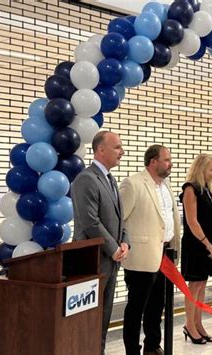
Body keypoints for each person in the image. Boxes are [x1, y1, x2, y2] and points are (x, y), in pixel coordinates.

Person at [71, 131, 130, 354]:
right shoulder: (86, 178)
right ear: (100, 150)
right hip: (92, 260)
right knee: (89, 316)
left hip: (111, 260)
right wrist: (113, 248)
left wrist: (125, 242)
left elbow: (120, 218)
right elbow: (90, 222)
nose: (121, 152)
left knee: (103, 315)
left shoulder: (111, 179)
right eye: (117, 147)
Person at [120, 144, 181, 355]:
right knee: (137, 307)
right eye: (166, 160)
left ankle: (152, 345)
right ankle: (132, 350)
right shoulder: (133, 183)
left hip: (164, 254)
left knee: (157, 305)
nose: (170, 163)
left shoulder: (167, 185)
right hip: (140, 256)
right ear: (153, 161)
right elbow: (121, 220)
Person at [180, 154, 212, 345]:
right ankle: (189, 325)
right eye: (211, 169)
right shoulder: (191, 188)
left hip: (207, 245)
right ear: (201, 168)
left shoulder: (207, 190)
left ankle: (198, 323)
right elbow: (192, 221)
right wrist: (207, 243)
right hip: (195, 245)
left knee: (202, 285)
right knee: (194, 286)